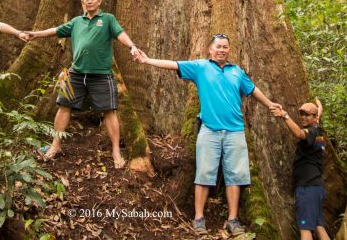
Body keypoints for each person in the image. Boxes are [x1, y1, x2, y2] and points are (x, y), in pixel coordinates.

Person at [134, 34, 280, 236]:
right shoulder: (200, 67)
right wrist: (147, 60)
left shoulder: (236, 72)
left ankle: (233, 220)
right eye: (218, 46)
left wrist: (270, 104)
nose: (221, 50)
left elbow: (253, 90)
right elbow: (174, 64)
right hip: (209, 130)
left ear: (229, 50)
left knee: (235, 177)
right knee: (204, 174)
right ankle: (199, 218)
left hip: (235, 131)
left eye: (225, 47)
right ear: (210, 50)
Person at [24, 0, 140, 168]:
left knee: (109, 110)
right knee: (63, 106)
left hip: (101, 74)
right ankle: (56, 145)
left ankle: (116, 150)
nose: (89, 1)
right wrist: (35, 34)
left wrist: (132, 46)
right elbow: (56, 30)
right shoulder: (77, 21)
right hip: (76, 73)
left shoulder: (107, 19)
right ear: (83, 2)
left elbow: (120, 34)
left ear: (99, 1)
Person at [271, 99, 330, 240]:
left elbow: (299, 134)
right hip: (316, 188)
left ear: (314, 118)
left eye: (307, 115)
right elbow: (317, 115)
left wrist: (285, 116)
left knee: (305, 229)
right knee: (319, 227)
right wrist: (319, 106)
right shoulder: (319, 130)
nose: (303, 117)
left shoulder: (311, 131)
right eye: (302, 114)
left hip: (307, 187)